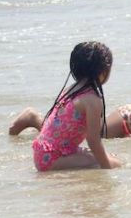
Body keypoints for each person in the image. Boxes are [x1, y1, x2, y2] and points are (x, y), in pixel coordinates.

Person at [22, 42, 121, 172]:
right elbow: (93, 140)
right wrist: (106, 167)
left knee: (107, 156)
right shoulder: (93, 100)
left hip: (44, 152)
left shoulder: (72, 89)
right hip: (52, 158)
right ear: (103, 71)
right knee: (116, 163)